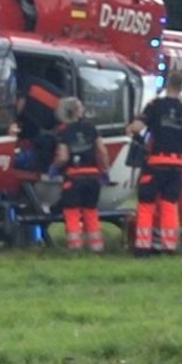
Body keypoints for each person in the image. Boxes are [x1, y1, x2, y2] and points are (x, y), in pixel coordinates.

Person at [126, 71, 182, 256]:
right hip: (176, 165)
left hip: (155, 162)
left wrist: (131, 126)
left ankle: (143, 246)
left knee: (146, 205)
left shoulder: (154, 106)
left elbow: (137, 128)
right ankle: (169, 246)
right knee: (170, 205)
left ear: (167, 84)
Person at [53, 96, 108, 253]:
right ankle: (97, 247)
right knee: (91, 211)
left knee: (72, 213)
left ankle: (75, 247)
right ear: (79, 111)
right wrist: (104, 170)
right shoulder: (91, 128)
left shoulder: (63, 131)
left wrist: (54, 167)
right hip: (92, 177)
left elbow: (62, 157)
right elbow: (102, 152)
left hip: (74, 177)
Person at [10, 78, 61, 173]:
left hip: (55, 120)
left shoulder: (23, 82)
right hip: (43, 122)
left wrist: (11, 122)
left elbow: (20, 104)